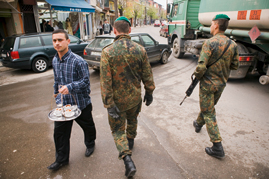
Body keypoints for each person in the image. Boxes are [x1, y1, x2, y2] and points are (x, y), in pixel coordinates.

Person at [100, 16, 155, 178]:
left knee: (117, 130)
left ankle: (127, 159)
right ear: (130, 30)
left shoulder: (108, 52)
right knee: (133, 120)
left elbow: (105, 82)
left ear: (114, 30)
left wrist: (109, 104)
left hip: (117, 102)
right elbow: (148, 75)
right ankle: (130, 142)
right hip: (134, 98)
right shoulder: (140, 49)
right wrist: (149, 92)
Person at [47, 29, 96, 171]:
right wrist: (56, 95)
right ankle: (61, 160)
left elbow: (86, 82)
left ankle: (90, 143)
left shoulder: (78, 61)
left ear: (68, 41)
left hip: (81, 104)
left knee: (88, 127)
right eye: (54, 40)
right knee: (60, 133)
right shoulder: (55, 59)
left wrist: (70, 87)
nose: (57, 43)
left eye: (60, 40)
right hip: (64, 106)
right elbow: (57, 80)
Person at [192, 14, 239, 159]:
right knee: (208, 107)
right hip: (221, 84)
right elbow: (235, 66)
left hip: (207, 85)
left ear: (216, 25)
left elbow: (201, 67)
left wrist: (196, 76)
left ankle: (217, 146)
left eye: (212, 24)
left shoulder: (210, 43)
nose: (211, 27)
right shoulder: (233, 45)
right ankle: (198, 124)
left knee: (209, 112)